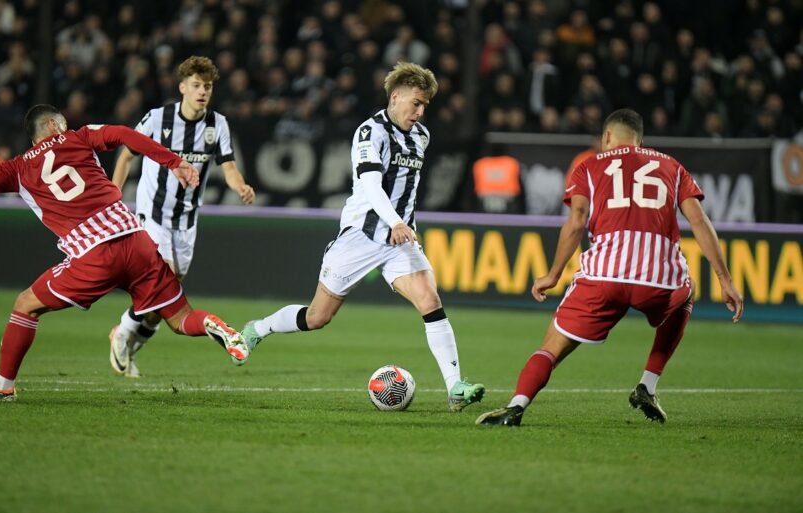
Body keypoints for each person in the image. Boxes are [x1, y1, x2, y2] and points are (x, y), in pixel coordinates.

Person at [0, 104, 249, 402]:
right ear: (54, 125)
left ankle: (2, 386)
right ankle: (212, 324)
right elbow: (123, 134)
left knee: (26, 304)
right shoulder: (80, 137)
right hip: (137, 241)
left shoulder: (16, 169)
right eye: (63, 124)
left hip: (94, 253)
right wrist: (174, 161)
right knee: (181, 318)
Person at [238, 62, 486, 412]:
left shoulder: (421, 136)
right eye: (416, 103)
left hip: (398, 241)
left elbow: (407, 189)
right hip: (360, 237)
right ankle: (259, 328)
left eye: (425, 105)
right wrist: (395, 222)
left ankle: (455, 388)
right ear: (395, 97)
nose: (420, 111)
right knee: (317, 317)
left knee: (430, 300)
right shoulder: (371, 133)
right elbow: (371, 185)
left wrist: (405, 226)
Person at [476, 109, 744, 427]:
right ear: (640, 140)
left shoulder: (588, 165)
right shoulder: (672, 166)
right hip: (658, 278)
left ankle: (515, 406)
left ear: (606, 137)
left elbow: (576, 221)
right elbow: (699, 220)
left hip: (603, 276)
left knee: (552, 347)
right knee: (687, 292)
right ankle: (648, 385)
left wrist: (553, 274)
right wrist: (725, 279)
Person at [107, 56, 255, 378]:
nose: (202, 92)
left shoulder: (217, 125)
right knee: (165, 281)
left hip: (186, 220)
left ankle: (127, 338)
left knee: (164, 298)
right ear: (182, 87)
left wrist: (241, 186)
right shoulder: (157, 119)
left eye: (208, 87)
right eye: (197, 85)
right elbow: (126, 156)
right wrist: (114, 196)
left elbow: (228, 167)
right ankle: (123, 331)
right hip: (153, 214)